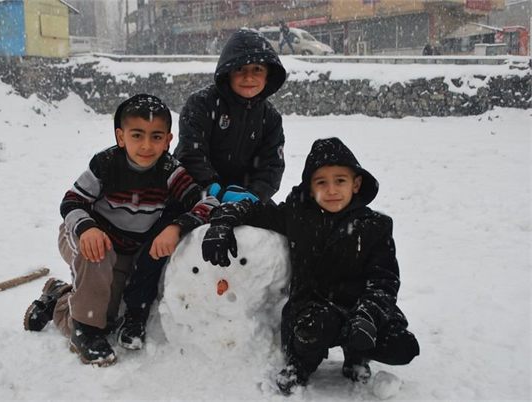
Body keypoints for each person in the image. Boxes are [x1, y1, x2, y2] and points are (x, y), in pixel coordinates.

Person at [201, 137, 420, 395]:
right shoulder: (297, 213)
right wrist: (223, 222)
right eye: (321, 182)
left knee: (403, 346)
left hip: (361, 308)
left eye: (340, 181)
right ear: (310, 186)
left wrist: (369, 315)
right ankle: (299, 365)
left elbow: (384, 281)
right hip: (314, 307)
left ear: (356, 183)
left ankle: (357, 356)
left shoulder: (375, 227)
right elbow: (254, 210)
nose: (331, 190)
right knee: (311, 330)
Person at [23, 94, 218, 366]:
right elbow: (72, 201)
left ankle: (58, 297)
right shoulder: (105, 165)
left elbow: (208, 201)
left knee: (107, 318)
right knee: (92, 308)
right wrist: (87, 228)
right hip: (86, 238)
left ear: (168, 141)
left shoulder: (170, 170)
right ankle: (83, 332)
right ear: (121, 136)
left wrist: (176, 226)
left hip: (125, 250)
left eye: (156, 137)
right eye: (137, 135)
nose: (147, 145)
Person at [173, 28, 287, 204]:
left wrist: (253, 194)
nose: (249, 77)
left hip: (248, 198)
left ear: (268, 75)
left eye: (257, 69)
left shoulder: (271, 118)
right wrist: (215, 190)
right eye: (240, 69)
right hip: (197, 192)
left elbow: (271, 166)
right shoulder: (201, 104)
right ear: (228, 73)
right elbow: (191, 154)